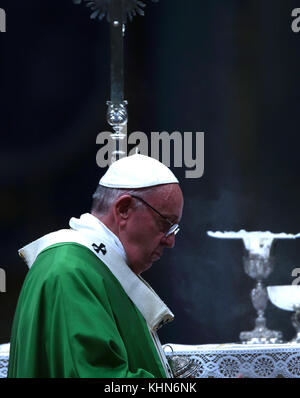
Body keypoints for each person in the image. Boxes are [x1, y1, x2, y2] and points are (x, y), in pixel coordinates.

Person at [8, 154, 184, 378]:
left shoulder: (95, 268)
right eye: (165, 223)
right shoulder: (70, 271)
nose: (170, 241)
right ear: (124, 209)